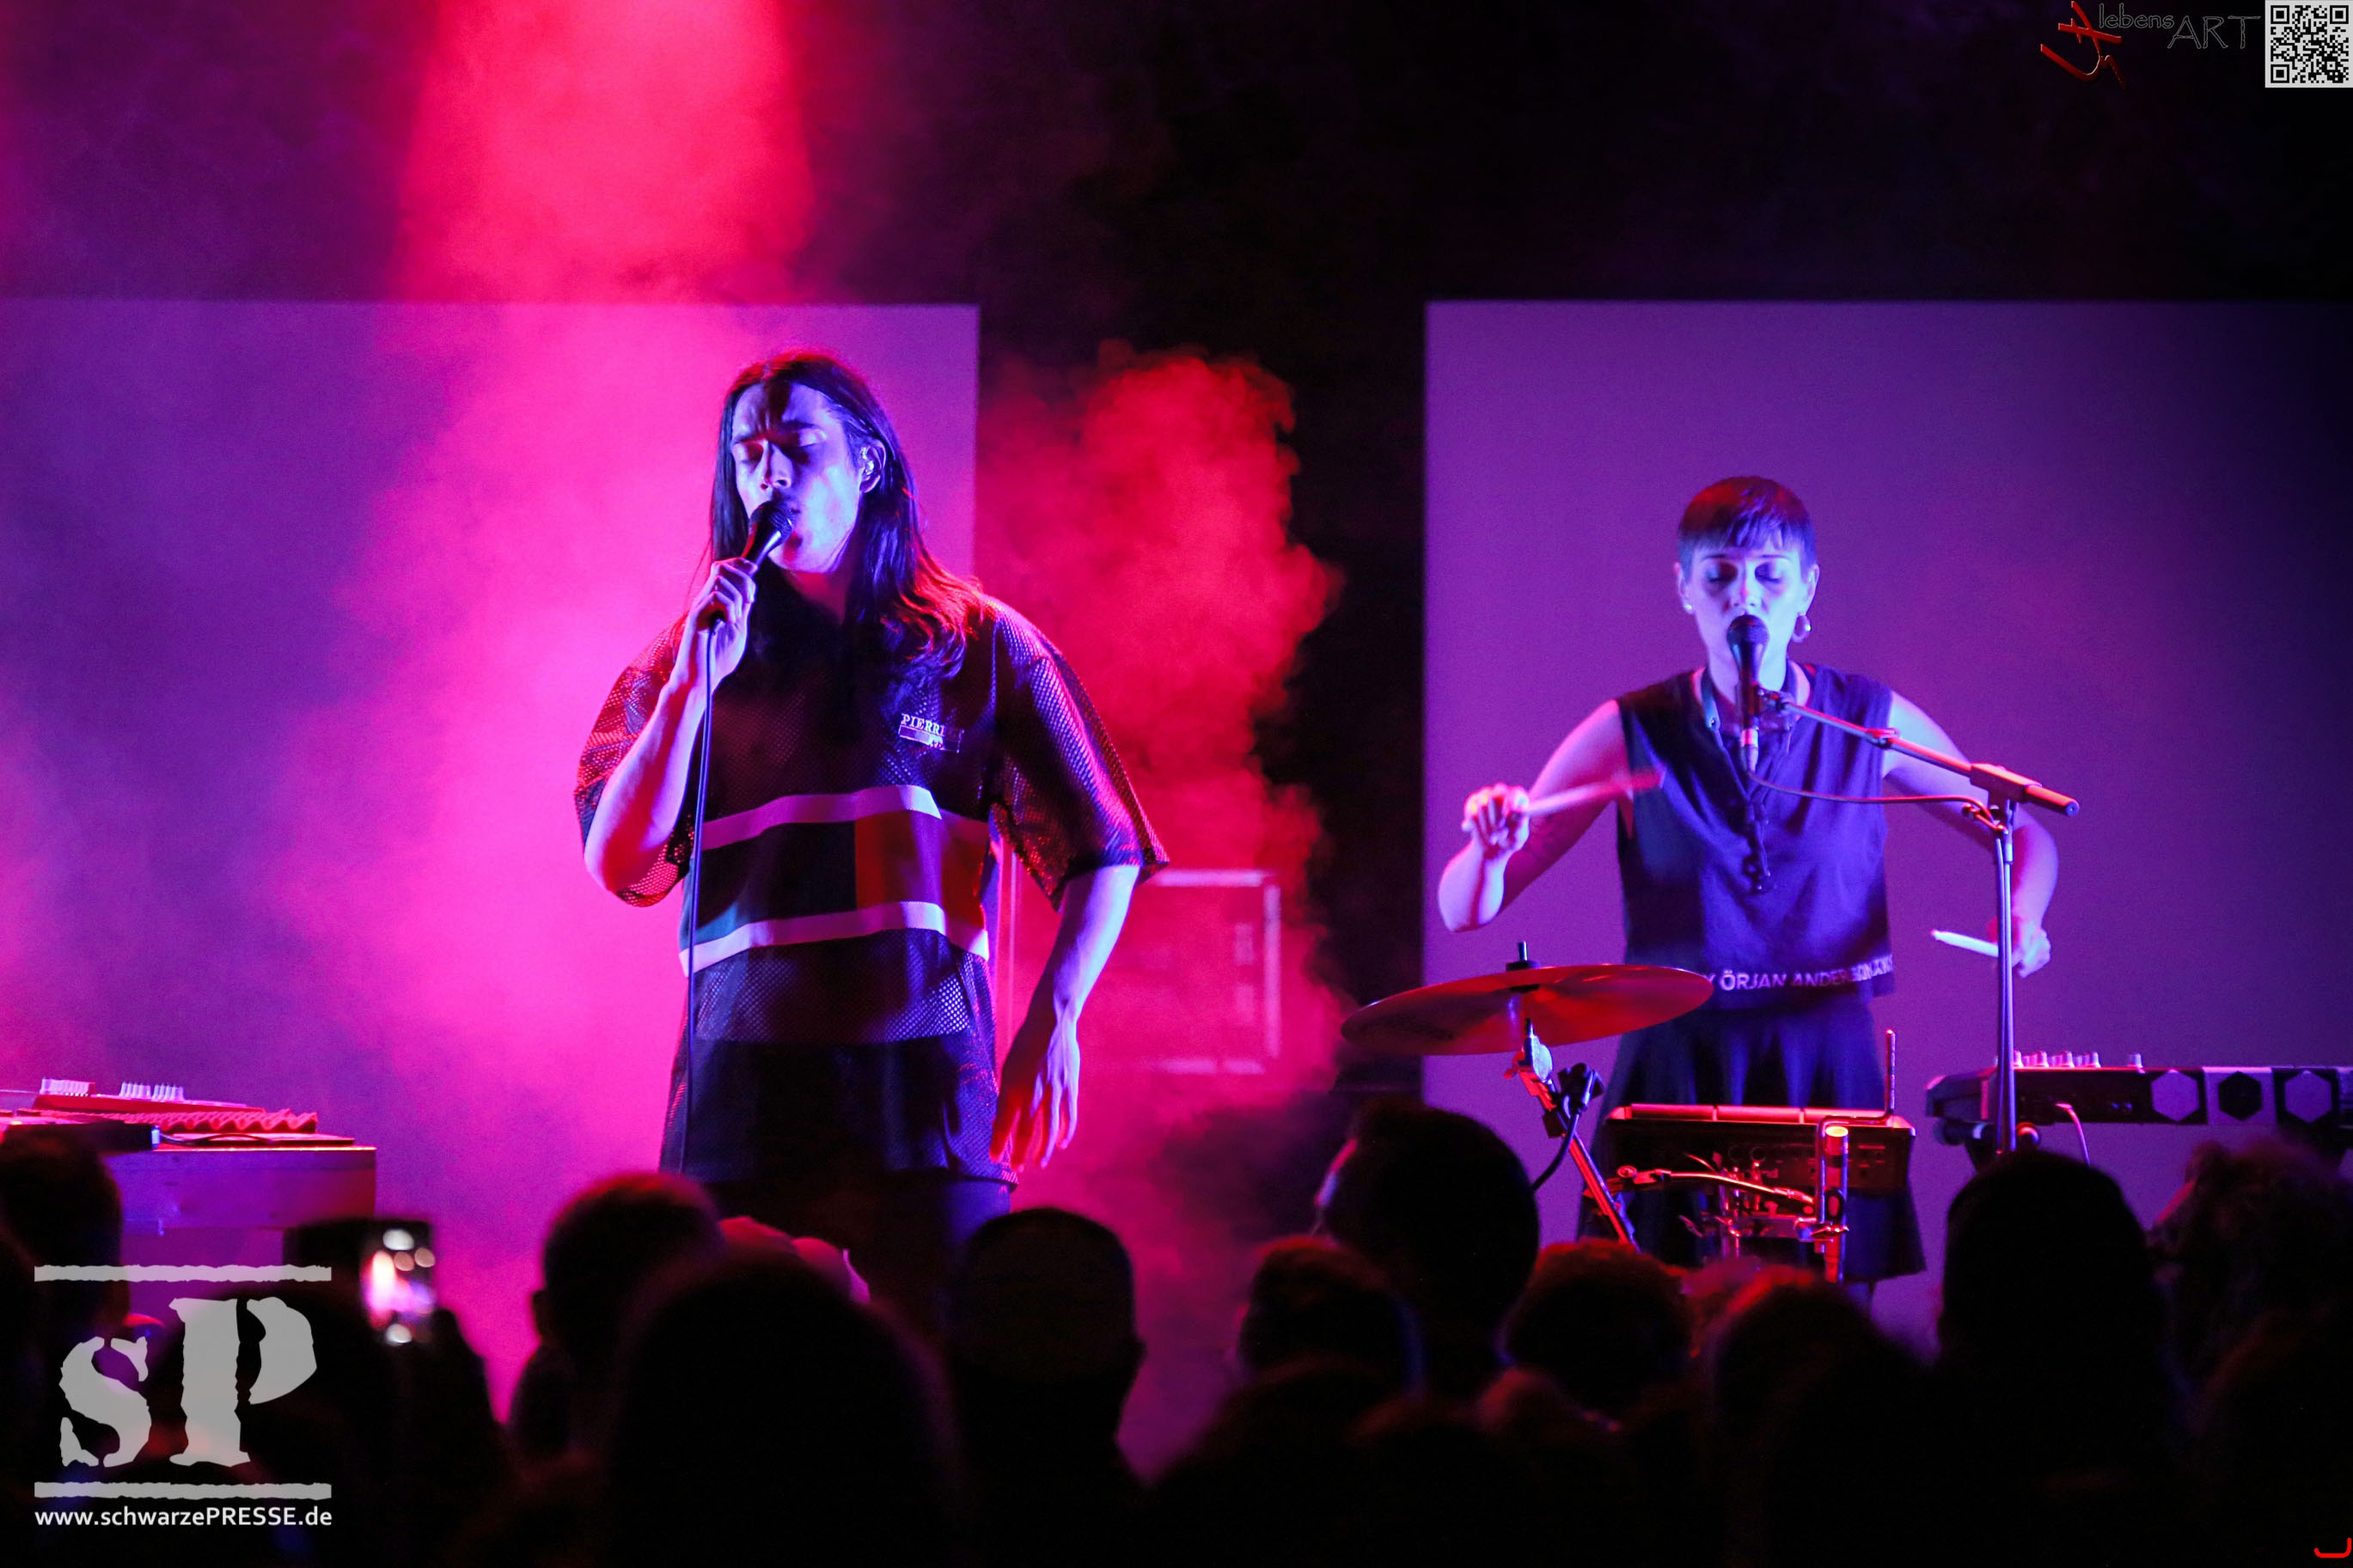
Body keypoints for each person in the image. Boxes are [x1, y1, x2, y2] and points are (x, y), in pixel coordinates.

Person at [577, 351, 1161, 1333]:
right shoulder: (691, 656)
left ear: (869, 464)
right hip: (738, 1095)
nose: (768, 474)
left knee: (951, 1368)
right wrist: (689, 688)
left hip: (921, 1091)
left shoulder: (978, 644)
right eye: (746, 453)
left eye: (796, 446)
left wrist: (1055, 1017)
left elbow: (1107, 844)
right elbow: (618, 861)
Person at [1437, 477, 2059, 1281]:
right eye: (1721, 574)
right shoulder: (1634, 727)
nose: (1745, 595)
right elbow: (1464, 908)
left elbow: (2024, 829)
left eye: (1769, 573)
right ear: (1685, 589)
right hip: (1681, 1061)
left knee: (1822, 1327)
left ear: (1807, 589)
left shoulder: (1864, 720)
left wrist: (2022, 914)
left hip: (1824, 1061)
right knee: (1665, 1312)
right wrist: (1490, 849)